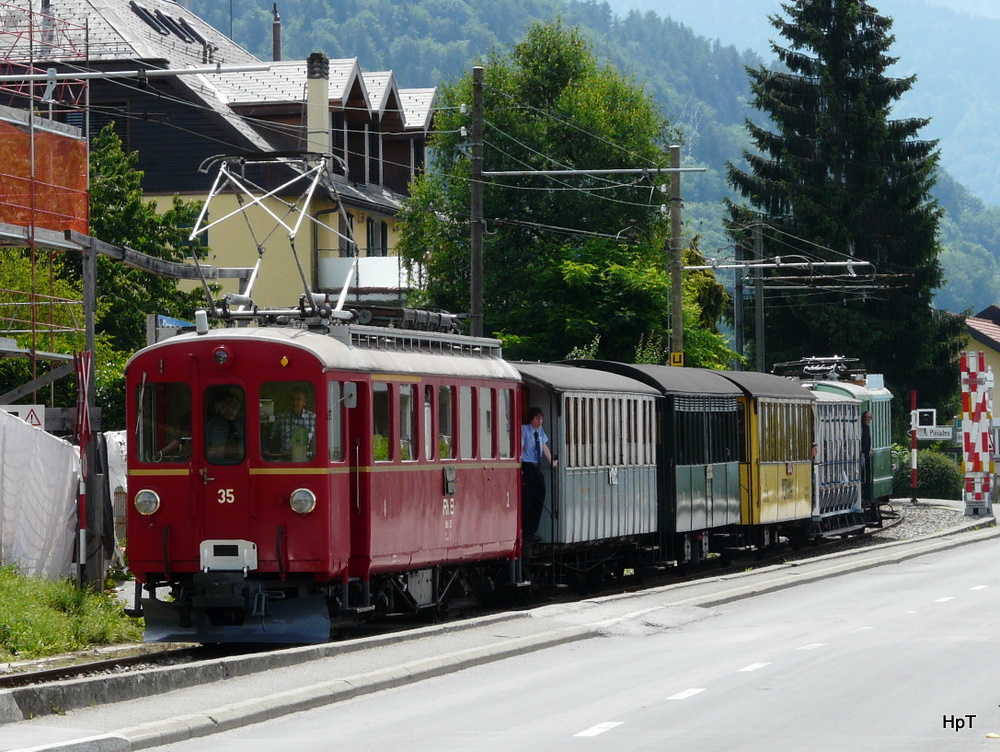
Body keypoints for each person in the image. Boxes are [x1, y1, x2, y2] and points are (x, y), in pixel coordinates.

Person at [521, 407, 555, 541]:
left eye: (541, 418)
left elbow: (544, 446)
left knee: (540, 495)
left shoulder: (539, 431)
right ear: (532, 419)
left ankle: (532, 529)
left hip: (536, 466)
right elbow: (520, 447)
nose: (540, 421)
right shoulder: (524, 429)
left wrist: (551, 460)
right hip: (526, 465)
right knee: (527, 499)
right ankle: (526, 531)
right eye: (537, 418)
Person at [273, 387, 316, 461]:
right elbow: (273, 439)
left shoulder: (313, 418)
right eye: (292, 400)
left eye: (298, 400)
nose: (295, 403)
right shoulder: (281, 418)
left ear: (304, 402)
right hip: (284, 461)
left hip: (307, 462)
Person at [206, 391, 245, 464]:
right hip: (216, 464)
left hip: (242, 465)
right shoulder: (212, 424)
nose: (230, 405)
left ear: (239, 405)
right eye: (226, 402)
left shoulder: (246, 424)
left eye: (233, 402)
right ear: (220, 406)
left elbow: (259, 448)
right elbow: (204, 448)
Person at [860, 410, 873, 483]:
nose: (867, 419)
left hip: (866, 453)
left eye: (869, 417)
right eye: (865, 417)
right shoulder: (861, 427)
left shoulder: (868, 427)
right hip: (861, 452)